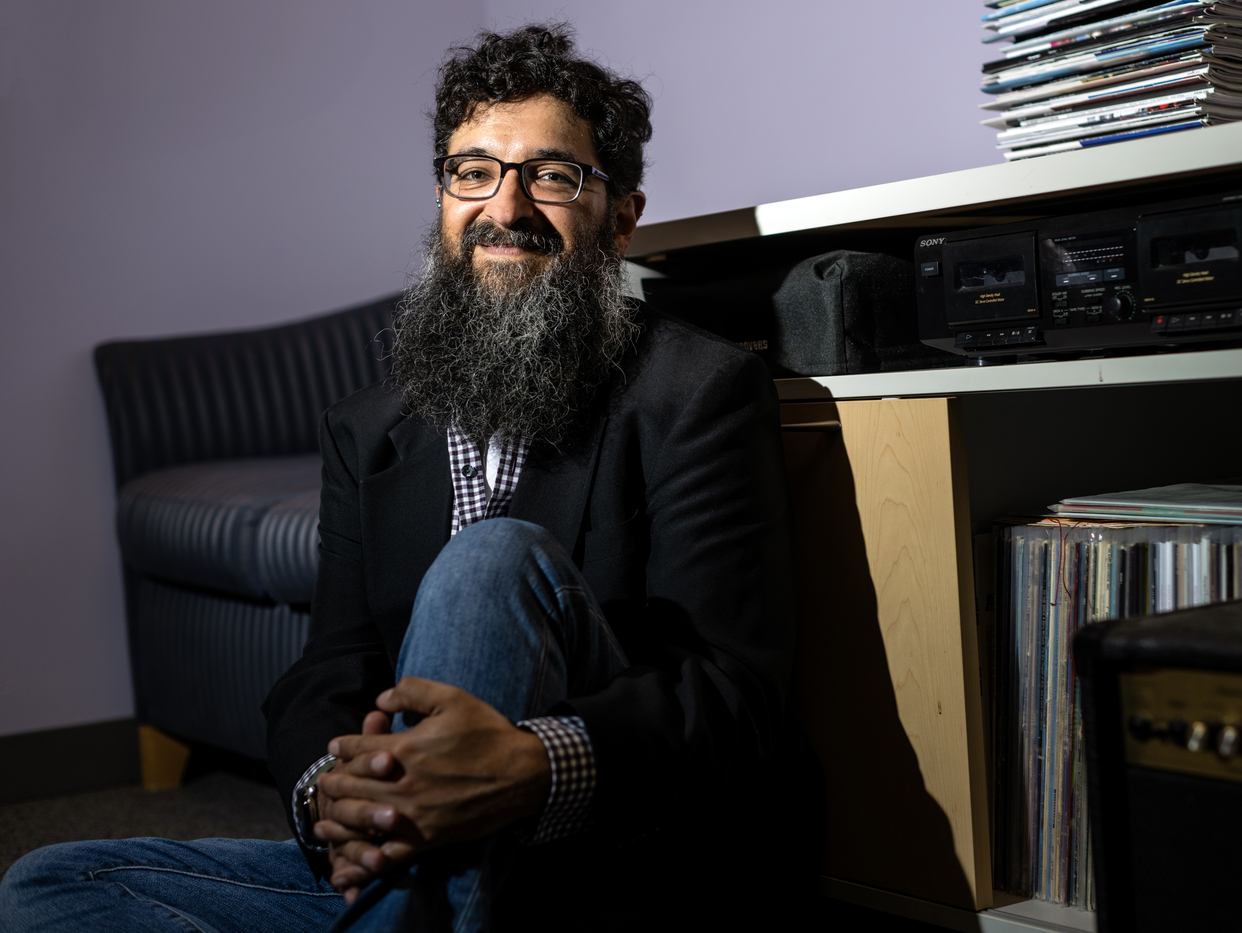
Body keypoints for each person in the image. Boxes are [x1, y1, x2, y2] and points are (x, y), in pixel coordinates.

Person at [0, 23, 808, 933]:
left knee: (490, 560)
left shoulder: (696, 392)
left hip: (605, 862)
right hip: (412, 858)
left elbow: (734, 695)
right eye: (474, 172)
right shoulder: (367, 426)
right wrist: (330, 798)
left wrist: (531, 763)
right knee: (52, 883)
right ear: (442, 197)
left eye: (551, 175)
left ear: (619, 217)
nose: (505, 207)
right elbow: (333, 668)